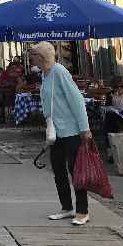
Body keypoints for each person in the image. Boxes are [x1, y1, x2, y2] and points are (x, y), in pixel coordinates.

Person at [30, 41, 92, 226]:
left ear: (41, 57)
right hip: (56, 131)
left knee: (76, 171)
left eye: (33, 55)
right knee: (58, 170)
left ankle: (82, 211)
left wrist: (85, 128)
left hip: (72, 130)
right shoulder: (45, 74)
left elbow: (77, 101)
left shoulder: (59, 72)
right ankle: (66, 207)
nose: (31, 57)